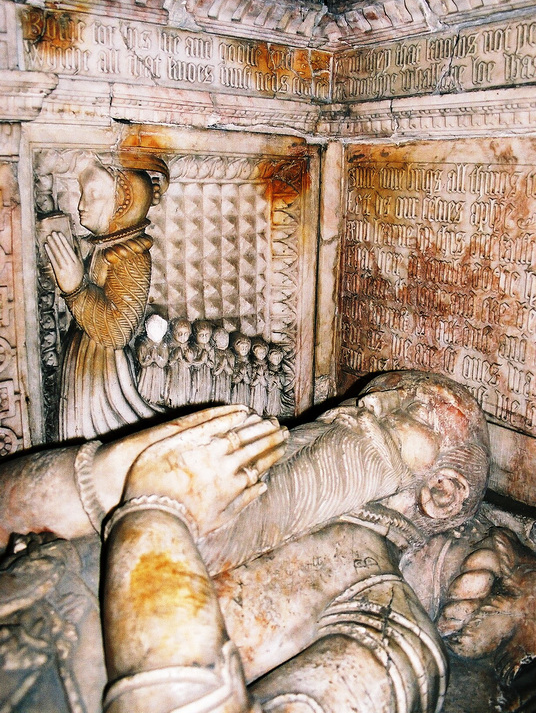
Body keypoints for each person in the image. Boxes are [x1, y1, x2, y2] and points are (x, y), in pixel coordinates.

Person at [2, 370, 530, 713]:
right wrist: (105, 475)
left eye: (399, 412)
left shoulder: (393, 639)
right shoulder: (234, 480)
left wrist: (153, 517)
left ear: (442, 492)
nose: (349, 413)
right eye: (365, 402)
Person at [44, 154, 168, 441]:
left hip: (101, 373)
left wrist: (75, 288)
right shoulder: (103, 248)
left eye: (94, 193)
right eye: (83, 193)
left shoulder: (132, 257)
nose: (81, 205)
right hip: (84, 361)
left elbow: (117, 331)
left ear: (125, 202)